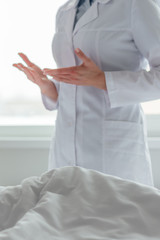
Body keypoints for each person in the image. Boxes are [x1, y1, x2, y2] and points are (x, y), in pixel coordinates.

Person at [13, 0, 160, 186]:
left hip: (113, 150)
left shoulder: (136, 5)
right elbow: (78, 82)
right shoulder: (66, 11)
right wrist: (49, 88)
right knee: (62, 211)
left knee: (114, 211)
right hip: (64, 146)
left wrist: (104, 80)